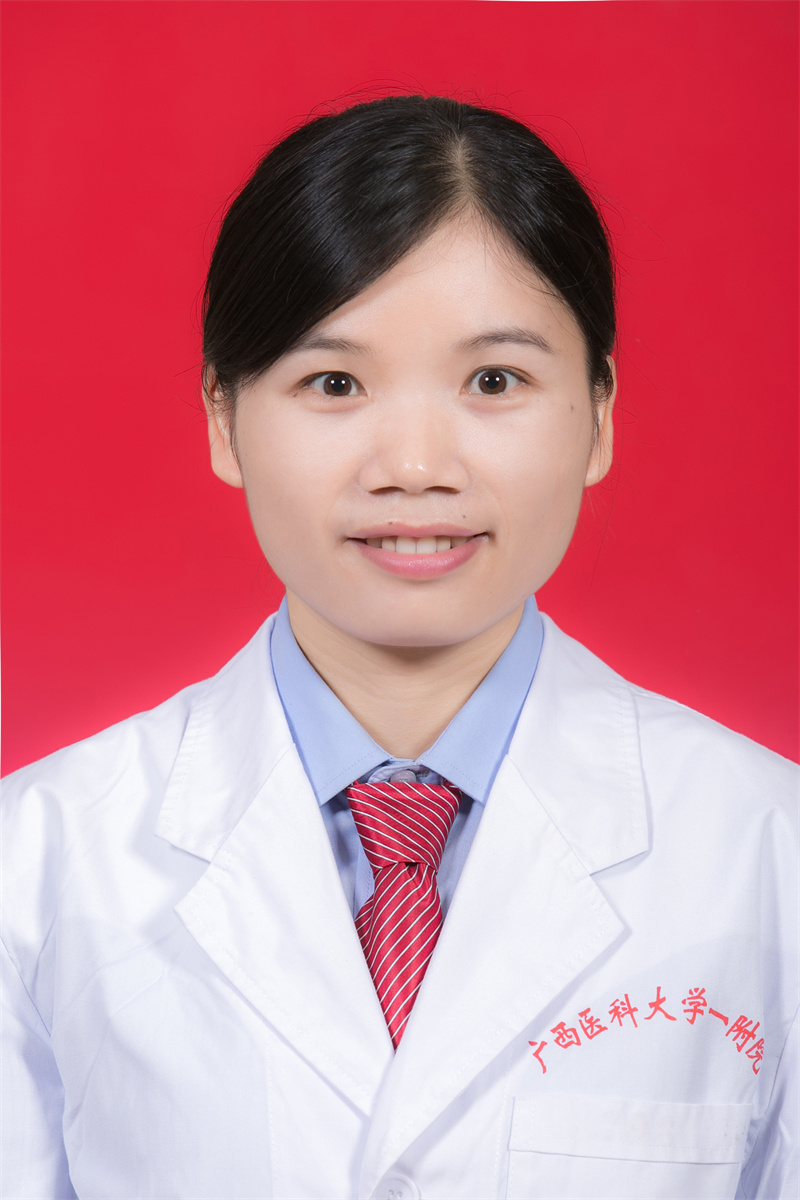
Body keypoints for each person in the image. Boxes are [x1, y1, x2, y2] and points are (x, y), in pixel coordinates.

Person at [1, 95, 796, 1200]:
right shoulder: (39, 857)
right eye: (333, 384)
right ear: (224, 418)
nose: (415, 467)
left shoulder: (765, 850)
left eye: (493, 382)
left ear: (600, 413)